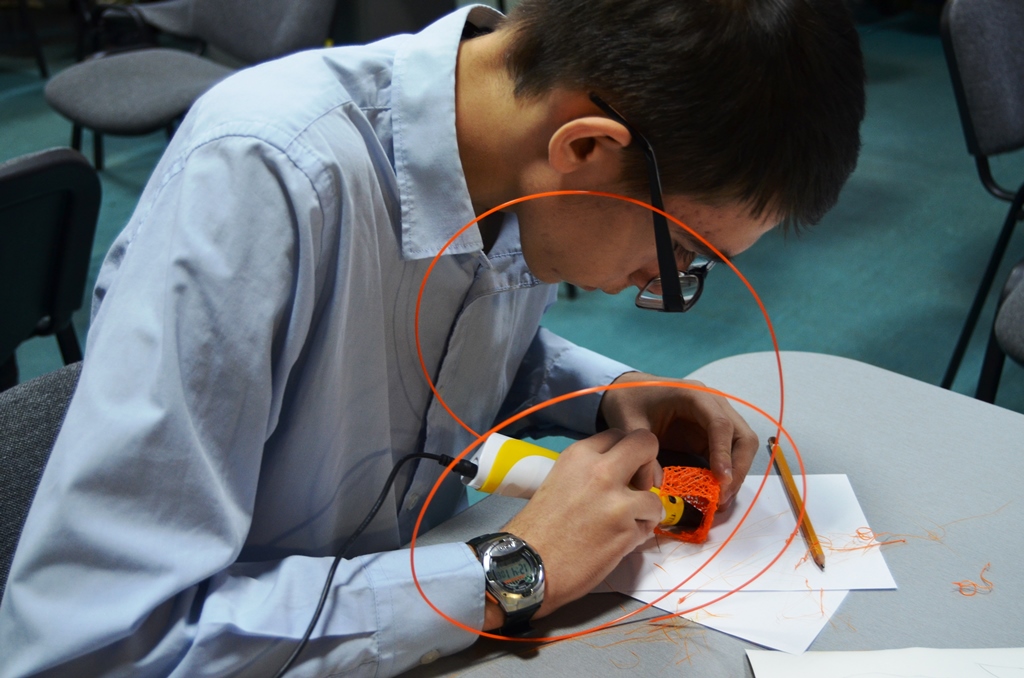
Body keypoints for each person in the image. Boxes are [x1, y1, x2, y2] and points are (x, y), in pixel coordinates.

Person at [0, 0, 864, 676]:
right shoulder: (264, 180)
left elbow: (445, 351)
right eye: (678, 257)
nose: (661, 282)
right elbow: (99, 646)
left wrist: (608, 394)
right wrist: (514, 568)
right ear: (586, 147)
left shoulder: (510, 151)